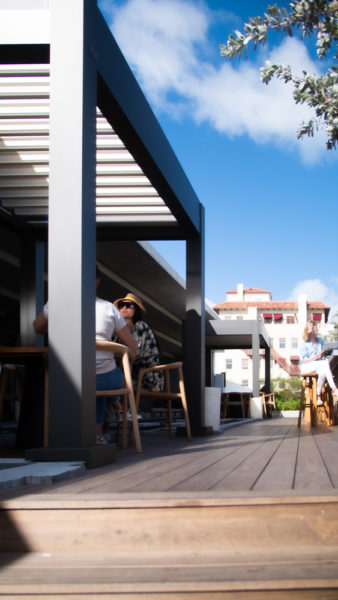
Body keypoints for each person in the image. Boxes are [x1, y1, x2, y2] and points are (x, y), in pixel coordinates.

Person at [33, 266, 138, 445]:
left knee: (91, 381)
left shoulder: (58, 301)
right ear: (97, 281)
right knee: (101, 382)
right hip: (104, 378)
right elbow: (132, 346)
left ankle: (59, 436)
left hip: (65, 376)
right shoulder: (109, 308)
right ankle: (99, 431)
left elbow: (37, 327)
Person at [114, 292, 164, 393]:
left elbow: (134, 354)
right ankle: (118, 408)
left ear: (136, 310)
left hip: (148, 378)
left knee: (112, 383)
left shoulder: (140, 326)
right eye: (121, 305)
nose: (124, 307)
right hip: (132, 375)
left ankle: (120, 409)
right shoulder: (118, 329)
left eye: (128, 305)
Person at [300, 320, 338, 405]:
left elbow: (322, 355)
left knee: (323, 373)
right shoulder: (304, 342)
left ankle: (318, 397)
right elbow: (304, 360)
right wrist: (317, 356)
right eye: (314, 331)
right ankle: (334, 389)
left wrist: (324, 353)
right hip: (306, 366)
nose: (316, 332)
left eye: (316, 330)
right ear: (309, 331)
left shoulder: (320, 340)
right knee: (324, 363)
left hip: (319, 365)